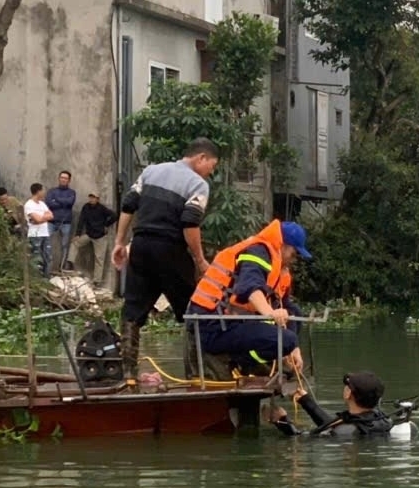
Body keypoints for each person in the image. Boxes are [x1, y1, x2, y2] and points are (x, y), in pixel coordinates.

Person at [112, 138, 217, 378]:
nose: (212, 171)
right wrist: (200, 260)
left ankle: (127, 373)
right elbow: (190, 222)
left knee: (132, 310)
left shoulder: (151, 171)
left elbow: (128, 206)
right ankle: (198, 375)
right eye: (212, 164)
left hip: (140, 246)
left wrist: (119, 243)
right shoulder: (197, 184)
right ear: (201, 157)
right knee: (193, 310)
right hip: (170, 249)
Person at [185, 220, 311, 377]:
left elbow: (285, 306)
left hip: (232, 323)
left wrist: (295, 349)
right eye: (294, 254)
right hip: (211, 326)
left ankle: (254, 360)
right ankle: (243, 361)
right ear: (283, 245)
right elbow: (249, 287)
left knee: (295, 314)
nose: (294, 260)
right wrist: (271, 313)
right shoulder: (258, 251)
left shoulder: (278, 268)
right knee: (286, 339)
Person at [270, 372, 395, 437]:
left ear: (348, 394)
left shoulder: (342, 432)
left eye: (347, 386)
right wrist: (305, 400)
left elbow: (300, 439)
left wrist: (282, 421)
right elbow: (330, 424)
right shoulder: (383, 420)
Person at [65, 192, 117, 288]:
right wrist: (78, 234)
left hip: (100, 237)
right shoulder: (86, 207)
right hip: (89, 234)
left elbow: (114, 216)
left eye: (94, 198)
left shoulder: (102, 208)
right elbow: (81, 220)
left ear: (98, 199)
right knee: (75, 243)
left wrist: (106, 225)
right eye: (90, 197)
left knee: (99, 259)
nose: (92, 199)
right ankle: (70, 263)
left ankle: (97, 281)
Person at [45, 170, 76, 272]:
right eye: (62, 177)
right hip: (51, 222)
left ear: (69, 180)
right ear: (59, 179)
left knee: (64, 245)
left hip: (66, 222)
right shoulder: (51, 191)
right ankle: (47, 268)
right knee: (47, 243)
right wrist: (63, 202)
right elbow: (49, 203)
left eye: (65, 178)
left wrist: (56, 200)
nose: (63, 180)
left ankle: (62, 267)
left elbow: (70, 202)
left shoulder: (72, 192)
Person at [24, 183, 54, 278]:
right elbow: (37, 219)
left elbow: (51, 216)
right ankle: (37, 279)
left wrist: (41, 218)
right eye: (43, 190)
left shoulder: (42, 204)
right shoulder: (29, 205)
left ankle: (46, 277)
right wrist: (42, 218)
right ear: (38, 191)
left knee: (47, 257)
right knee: (36, 258)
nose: (44, 192)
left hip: (45, 233)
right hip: (35, 234)